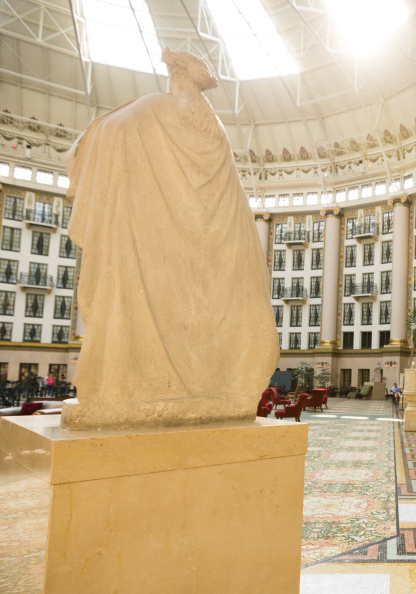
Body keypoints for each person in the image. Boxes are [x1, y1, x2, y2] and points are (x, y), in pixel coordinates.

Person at [63, 48, 279, 429]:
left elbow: (112, 131)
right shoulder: (196, 121)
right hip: (184, 250)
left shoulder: (156, 111)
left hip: (186, 251)